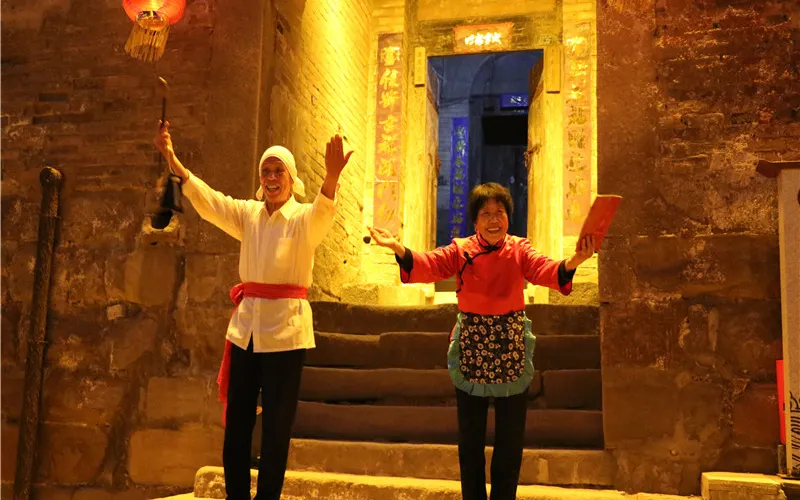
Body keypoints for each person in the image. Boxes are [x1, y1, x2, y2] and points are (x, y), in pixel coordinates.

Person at [154, 121, 353, 500]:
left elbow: (323, 213)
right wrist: (173, 160)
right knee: (237, 424)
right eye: (266, 171)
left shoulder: (302, 218)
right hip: (246, 329)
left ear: (291, 179)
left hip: (287, 332)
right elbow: (210, 202)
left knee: (276, 426)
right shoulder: (248, 214)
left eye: (279, 171)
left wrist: (331, 177)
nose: (272, 177)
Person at [368, 182, 594, 500]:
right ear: (475, 221)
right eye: (485, 213)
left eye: (499, 212)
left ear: (508, 218)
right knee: (470, 439)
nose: (493, 219)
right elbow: (429, 264)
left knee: (510, 439)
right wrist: (398, 248)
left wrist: (574, 261)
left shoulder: (520, 249)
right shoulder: (460, 249)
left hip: (510, 346)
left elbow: (546, 269)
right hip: (471, 345)